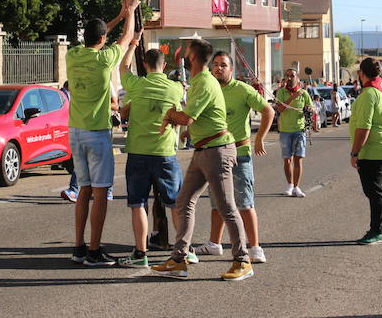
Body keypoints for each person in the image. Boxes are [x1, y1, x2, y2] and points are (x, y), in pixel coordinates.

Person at [150, 39, 252, 282]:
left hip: (217, 151)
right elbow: (192, 118)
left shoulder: (205, 82)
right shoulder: (198, 81)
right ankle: (178, 259)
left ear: (193, 58)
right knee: (183, 201)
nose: (182, 57)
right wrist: (180, 121)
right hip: (203, 150)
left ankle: (243, 260)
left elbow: (186, 117)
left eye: (186, 54)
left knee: (227, 207)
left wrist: (172, 115)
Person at [66, 0, 141, 267]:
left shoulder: (73, 55)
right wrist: (129, 13)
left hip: (74, 132)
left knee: (83, 190)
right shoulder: (104, 59)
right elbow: (124, 38)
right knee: (100, 193)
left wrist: (117, 17)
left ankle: (78, 246)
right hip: (96, 134)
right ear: (102, 40)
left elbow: (101, 35)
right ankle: (94, 251)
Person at [194, 51, 275, 265]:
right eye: (216, 65)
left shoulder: (242, 90)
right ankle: (214, 244)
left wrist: (259, 139)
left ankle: (255, 247)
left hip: (240, 155)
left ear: (231, 69)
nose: (218, 68)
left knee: (244, 203)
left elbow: (268, 111)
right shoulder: (209, 89)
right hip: (215, 155)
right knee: (217, 204)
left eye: (223, 65)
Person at [115, 39, 185, 268]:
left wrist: (133, 44)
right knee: (175, 203)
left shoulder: (137, 85)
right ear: (164, 67)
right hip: (165, 152)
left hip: (138, 152)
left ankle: (140, 253)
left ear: (144, 65)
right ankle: (183, 249)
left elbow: (122, 67)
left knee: (138, 203)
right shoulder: (175, 87)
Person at [349, 57, 382, 245]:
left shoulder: (369, 94)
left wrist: (354, 152)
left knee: (374, 192)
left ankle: (377, 231)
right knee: (381, 189)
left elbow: (364, 127)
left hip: (372, 150)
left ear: (361, 73)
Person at [274, 68, 315, 198]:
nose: (289, 78)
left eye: (292, 76)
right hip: (285, 131)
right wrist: (293, 97)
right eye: (287, 76)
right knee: (287, 160)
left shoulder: (304, 93)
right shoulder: (281, 92)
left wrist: (310, 109)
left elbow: (313, 107)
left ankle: (297, 187)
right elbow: (280, 109)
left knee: (298, 160)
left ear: (297, 78)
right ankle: (289, 185)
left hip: (299, 130)